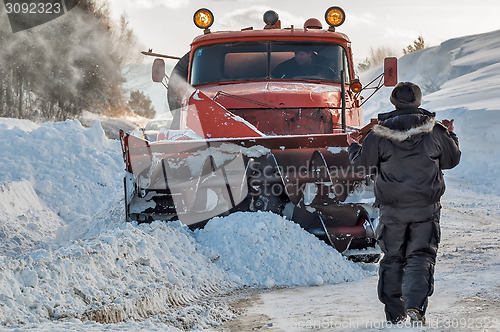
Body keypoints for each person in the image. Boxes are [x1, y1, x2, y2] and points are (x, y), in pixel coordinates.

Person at [346, 82, 461, 324]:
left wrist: (354, 146)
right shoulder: (436, 131)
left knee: (393, 257)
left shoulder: (378, 134)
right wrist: (450, 134)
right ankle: (415, 307)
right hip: (426, 209)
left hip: (392, 210)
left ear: (394, 102)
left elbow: (362, 166)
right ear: (418, 102)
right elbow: (451, 160)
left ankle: (395, 316)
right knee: (421, 255)